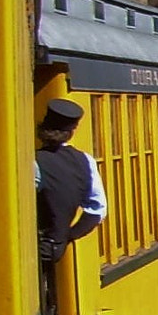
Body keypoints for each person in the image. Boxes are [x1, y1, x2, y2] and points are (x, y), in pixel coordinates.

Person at [36, 98, 106, 262]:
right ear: (72, 131)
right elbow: (98, 210)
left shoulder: (34, 161)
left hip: (36, 249)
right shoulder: (85, 161)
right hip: (54, 248)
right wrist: (67, 235)